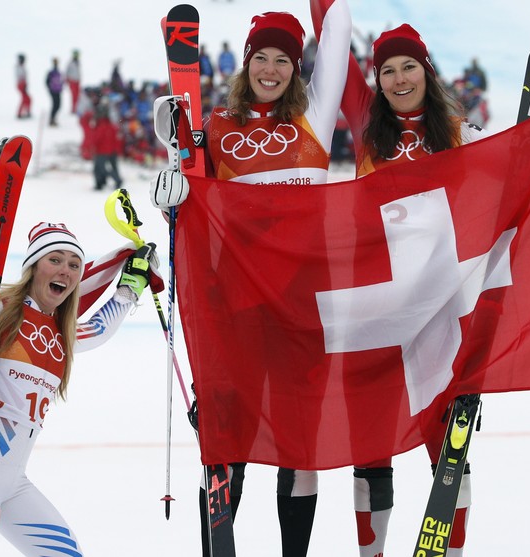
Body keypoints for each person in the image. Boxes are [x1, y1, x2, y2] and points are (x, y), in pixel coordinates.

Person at [333, 21, 530, 557]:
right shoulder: (367, 133)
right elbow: (329, 33)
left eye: (408, 67)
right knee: (370, 453)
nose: (398, 79)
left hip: (442, 319)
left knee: (451, 456)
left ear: (427, 71)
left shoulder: (462, 136)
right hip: (377, 315)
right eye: (388, 71)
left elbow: (526, 162)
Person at [150, 4, 351, 556]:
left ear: (297, 66)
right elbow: (191, 211)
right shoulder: (216, 126)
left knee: (298, 446)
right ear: (245, 63)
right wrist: (169, 187)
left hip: (304, 311)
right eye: (260, 57)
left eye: (283, 59)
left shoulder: (314, 113)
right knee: (227, 443)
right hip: (234, 307)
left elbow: (338, 31)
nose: (270, 69)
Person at [0, 222, 158, 556]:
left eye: (74, 265)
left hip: (13, 485)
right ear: (34, 266)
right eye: (56, 259)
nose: (65, 271)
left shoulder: (60, 333)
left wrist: (130, 286)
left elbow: (98, 329)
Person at [92, 106, 124, 190]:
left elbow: (96, 139)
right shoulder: (110, 125)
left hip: (102, 150)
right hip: (111, 150)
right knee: (110, 167)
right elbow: (116, 138)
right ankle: (103, 182)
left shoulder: (101, 126)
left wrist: (92, 146)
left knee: (99, 168)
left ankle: (113, 180)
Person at [46, 57, 63, 126]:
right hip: (53, 91)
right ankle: (52, 119)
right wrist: (50, 89)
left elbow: (61, 81)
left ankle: (53, 118)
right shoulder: (51, 72)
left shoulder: (58, 72)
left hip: (58, 91)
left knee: (58, 105)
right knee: (55, 105)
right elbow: (47, 81)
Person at [16, 53, 31, 119]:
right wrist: (23, 85)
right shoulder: (19, 67)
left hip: (23, 84)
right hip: (21, 84)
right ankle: (20, 113)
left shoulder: (21, 67)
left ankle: (26, 111)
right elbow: (20, 77)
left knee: (28, 99)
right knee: (24, 99)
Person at [66, 49, 82, 114]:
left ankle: (77, 108)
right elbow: (67, 72)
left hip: (77, 81)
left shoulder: (78, 62)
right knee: (74, 95)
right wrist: (68, 80)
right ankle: (73, 109)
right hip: (72, 81)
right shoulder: (70, 63)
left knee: (78, 96)